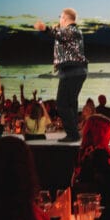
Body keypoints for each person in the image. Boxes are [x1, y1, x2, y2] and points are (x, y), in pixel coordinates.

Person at [34, 8, 87, 142]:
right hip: (73, 71)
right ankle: (74, 133)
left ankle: (73, 134)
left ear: (65, 18)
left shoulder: (72, 30)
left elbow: (61, 35)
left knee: (62, 103)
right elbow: (61, 36)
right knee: (70, 103)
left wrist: (45, 29)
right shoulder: (70, 31)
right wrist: (55, 28)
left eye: (60, 17)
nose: (59, 19)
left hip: (73, 71)